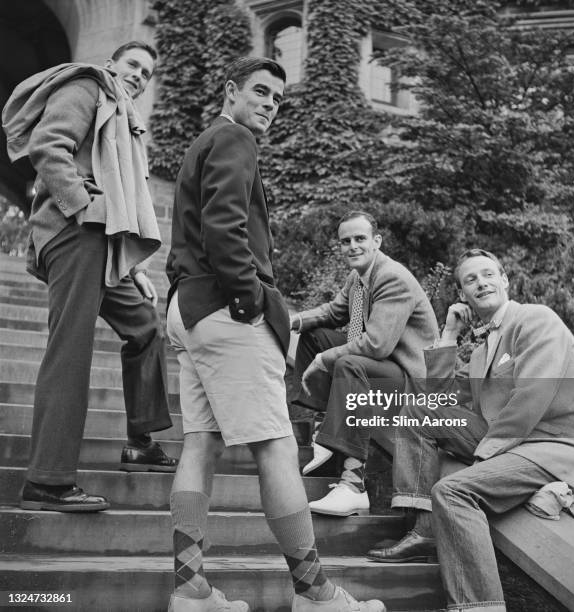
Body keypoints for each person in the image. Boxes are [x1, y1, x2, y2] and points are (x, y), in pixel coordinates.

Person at [165, 57, 385, 612]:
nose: (269, 103)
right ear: (231, 91)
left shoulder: (204, 142)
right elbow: (225, 229)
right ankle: (315, 593)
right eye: (259, 91)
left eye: (278, 98)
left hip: (189, 308)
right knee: (278, 446)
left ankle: (191, 589)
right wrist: (254, 302)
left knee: (201, 442)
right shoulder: (236, 138)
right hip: (226, 308)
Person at [2, 41, 177, 513]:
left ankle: (140, 441)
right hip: (77, 233)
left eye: (147, 71)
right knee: (71, 348)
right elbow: (48, 147)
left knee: (144, 326)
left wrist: (135, 265)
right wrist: (83, 208)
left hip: (106, 241)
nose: (140, 75)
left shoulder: (124, 114)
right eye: (133, 66)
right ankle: (47, 479)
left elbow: (122, 193)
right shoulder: (86, 86)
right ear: (110, 65)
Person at [366, 249, 574, 612]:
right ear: (463, 296)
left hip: (552, 444)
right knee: (417, 413)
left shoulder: (535, 318)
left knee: (452, 490)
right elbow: (437, 400)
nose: (481, 282)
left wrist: (480, 460)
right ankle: (423, 529)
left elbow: (532, 396)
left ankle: (479, 606)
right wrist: (450, 333)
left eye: (487, 274)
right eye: (470, 280)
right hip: (511, 441)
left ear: (505, 281)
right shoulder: (484, 349)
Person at [290, 211, 438, 516]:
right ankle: (323, 427)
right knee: (313, 336)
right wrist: (294, 321)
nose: (352, 246)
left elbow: (376, 345)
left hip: (410, 379)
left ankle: (354, 485)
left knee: (348, 363)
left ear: (377, 241)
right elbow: (333, 313)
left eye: (360, 239)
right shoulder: (358, 277)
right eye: (346, 241)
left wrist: (324, 359)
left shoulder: (392, 277)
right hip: (384, 367)